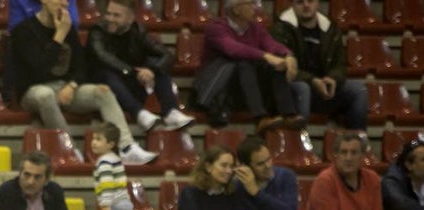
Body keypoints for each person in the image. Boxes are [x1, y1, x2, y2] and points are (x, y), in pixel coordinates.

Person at [11, 0, 156, 165]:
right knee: (46, 95)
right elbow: (39, 70)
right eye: (58, 1)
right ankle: (69, 150)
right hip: (33, 90)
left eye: (65, 2)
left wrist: (72, 85)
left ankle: (127, 147)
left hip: (64, 86)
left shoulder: (69, 29)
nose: (63, 5)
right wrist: (59, 35)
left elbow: (81, 66)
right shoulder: (23, 31)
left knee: (103, 92)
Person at [88, 0, 194, 133]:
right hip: (107, 91)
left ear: (130, 18)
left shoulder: (137, 31)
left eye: (116, 15)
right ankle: (139, 113)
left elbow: (167, 55)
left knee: (155, 64)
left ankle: (171, 112)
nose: (110, 19)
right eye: (108, 14)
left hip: (133, 87)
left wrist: (151, 71)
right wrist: (134, 72)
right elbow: (104, 57)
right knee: (106, 73)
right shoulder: (97, 31)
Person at [194, 0, 299, 132]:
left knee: (276, 66)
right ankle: (260, 118)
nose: (254, 7)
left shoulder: (255, 28)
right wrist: (265, 56)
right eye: (249, 4)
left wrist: (288, 55)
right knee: (244, 64)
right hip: (222, 88)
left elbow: (271, 44)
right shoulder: (216, 28)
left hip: (247, 87)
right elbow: (232, 49)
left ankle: (288, 114)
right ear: (236, 10)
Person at [271, 0, 367, 132]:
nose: (306, 5)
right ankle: (298, 142)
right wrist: (312, 80)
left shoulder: (330, 29)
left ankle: (357, 140)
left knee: (358, 90)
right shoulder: (280, 29)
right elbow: (283, 68)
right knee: (303, 88)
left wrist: (332, 78)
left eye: (310, 1)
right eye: (300, 2)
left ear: (318, 3)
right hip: (290, 91)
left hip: (322, 90)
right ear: (292, 4)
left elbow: (339, 65)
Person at [92, 123, 133, 210]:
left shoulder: (104, 161)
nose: (94, 142)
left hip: (114, 205)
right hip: (124, 203)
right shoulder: (115, 159)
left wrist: (106, 206)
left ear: (110, 144)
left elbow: (107, 184)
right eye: (93, 138)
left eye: (98, 139)